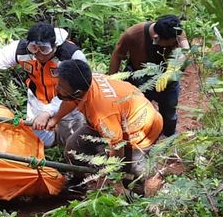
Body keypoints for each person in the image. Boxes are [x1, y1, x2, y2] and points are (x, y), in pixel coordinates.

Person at [0, 22, 86, 147]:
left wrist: (49, 113)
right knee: (37, 138)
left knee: (72, 142)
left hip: (66, 103)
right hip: (38, 100)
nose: (39, 54)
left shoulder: (71, 56)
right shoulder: (21, 51)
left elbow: (77, 89)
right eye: (34, 48)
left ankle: (68, 157)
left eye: (44, 49)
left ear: (54, 46)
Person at [47, 59, 163, 193]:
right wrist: (55, 119)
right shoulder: (86, 82)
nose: (57, 88)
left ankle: (135, 202)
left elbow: (117, 146)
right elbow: (70, 100)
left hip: (140, 129)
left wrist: (111, 172)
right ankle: (79, 182)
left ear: (78, 92)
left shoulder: (101, 113)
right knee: (74, 147)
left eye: (61, 86)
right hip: (115, 120)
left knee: (131, 173)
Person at [108, 14, 189, 137]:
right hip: (140, 79)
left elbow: (185, 49)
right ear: (157, 38)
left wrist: (173, 68)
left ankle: (169, 137)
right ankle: (143, 138)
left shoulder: (175, 31)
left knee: (169, 111)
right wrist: (112, 82)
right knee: (139, 111)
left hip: (168, 78)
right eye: (168, 44)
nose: (172, 45)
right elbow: (118, 55)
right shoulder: (132, 35)